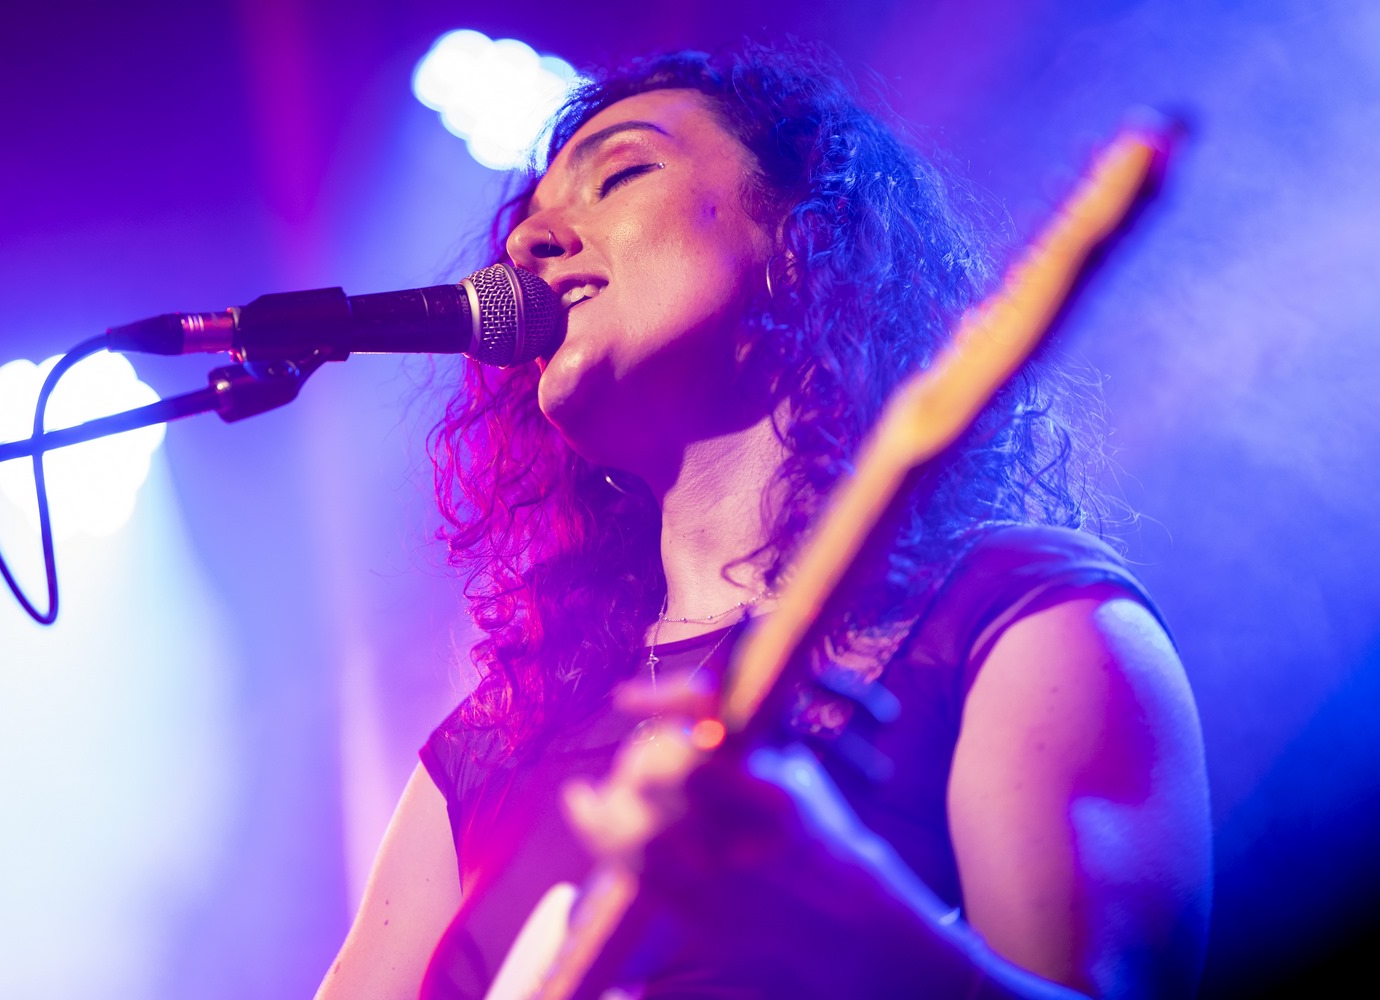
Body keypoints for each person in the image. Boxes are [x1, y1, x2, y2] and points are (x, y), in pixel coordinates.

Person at [316, 42, 1211, 999]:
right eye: (528, 221)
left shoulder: (1014, 615)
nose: (529, 242)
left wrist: (834, 907)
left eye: (620, 174)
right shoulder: (489, 747)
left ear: (798, 242)